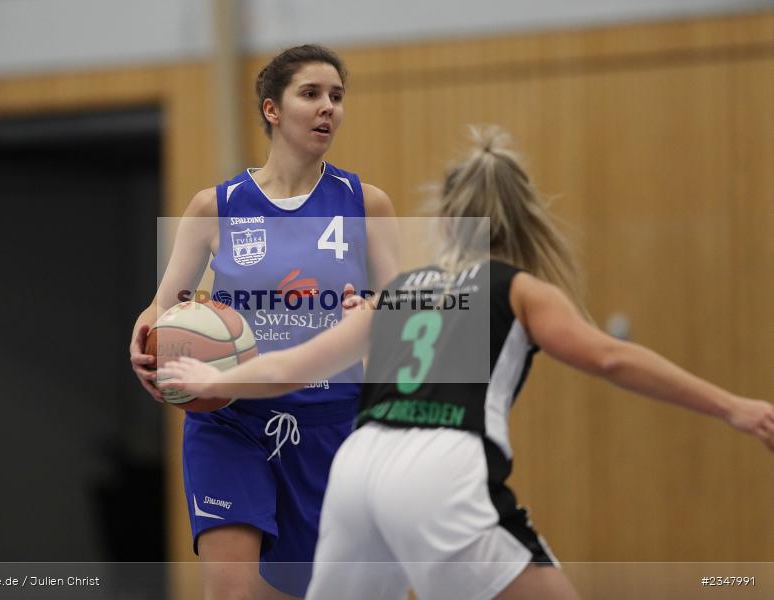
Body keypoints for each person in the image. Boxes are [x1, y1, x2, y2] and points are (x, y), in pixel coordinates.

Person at [159, 126, 774, 600]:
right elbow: (611, 359)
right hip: (439, 470)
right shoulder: (518, 289)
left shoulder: (400, 293)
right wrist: (734, 407)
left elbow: (290, 365)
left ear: (446, 218)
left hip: (358, 466)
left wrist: (213, 378)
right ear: (527, 217)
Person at [129, 44, 398, 599]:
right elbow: (166, 304)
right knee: (232, 591)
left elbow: (406, 311)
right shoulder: (216, 207)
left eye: (336, 97)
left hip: (331, 421)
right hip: (231, 419)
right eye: (311, 94)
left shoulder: (365, 203)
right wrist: (147, 334)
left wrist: (372, 312)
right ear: (272, 109)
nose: (328, 107)